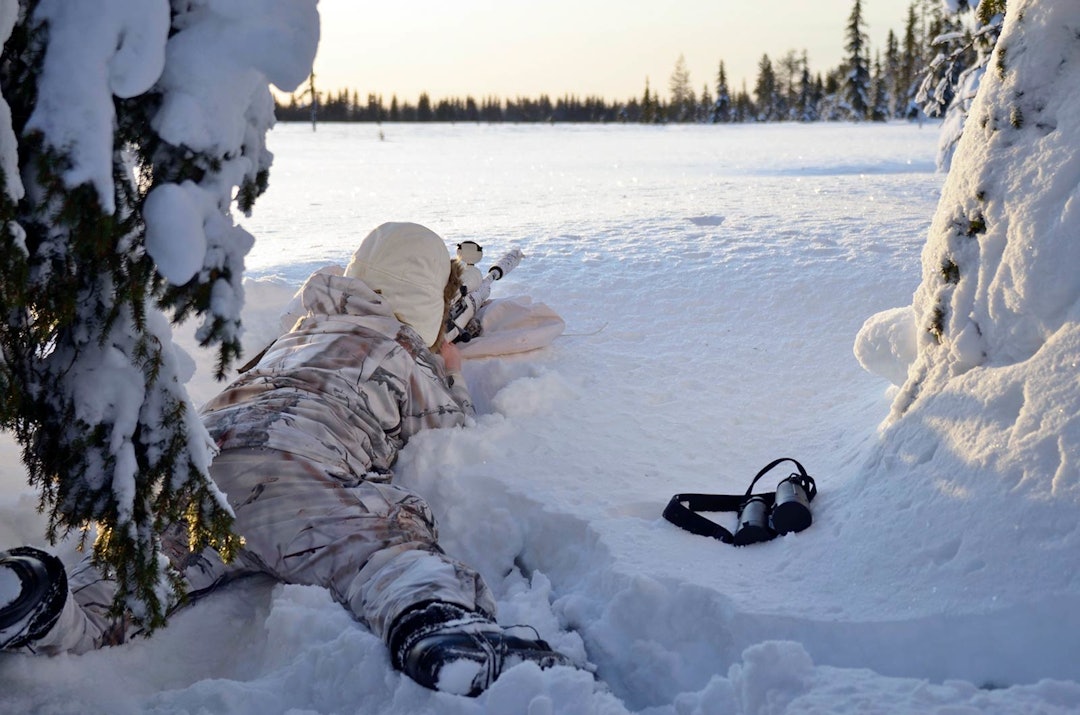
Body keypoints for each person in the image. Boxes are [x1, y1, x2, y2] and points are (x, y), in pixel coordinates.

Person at [0, 222, 573, 696]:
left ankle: (48, 606)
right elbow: (448, 430)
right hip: (299, 475)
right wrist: (447, 368)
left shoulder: (298, 331)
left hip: (200, 469)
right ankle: (438, 625)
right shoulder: (402, 353)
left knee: (140, 574)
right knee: (377, 550)